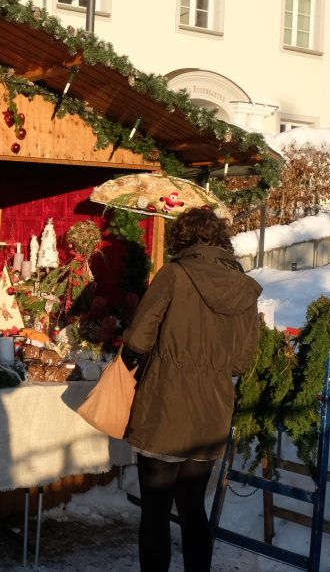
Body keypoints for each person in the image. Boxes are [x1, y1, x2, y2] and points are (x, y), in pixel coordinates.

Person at [121, 207, 262, 572]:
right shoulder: (245, 288)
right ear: (221, 240)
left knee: (155, 510)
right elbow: (242, 361)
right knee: (193, 508)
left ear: (182, 239)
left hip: (164, 404)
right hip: (211, 410)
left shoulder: (174, 274)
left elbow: (137, 339)